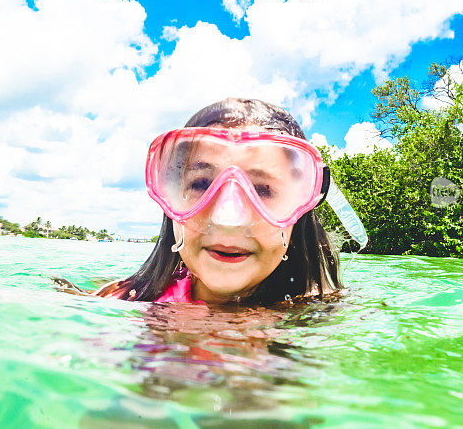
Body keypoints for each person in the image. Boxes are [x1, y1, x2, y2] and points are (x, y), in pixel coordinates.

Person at [92, 98, 367, 305]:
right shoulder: (120, 302)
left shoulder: (325, 319)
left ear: (301, 207)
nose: (228, 220)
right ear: (171, 201)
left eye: (261, 190)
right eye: (201, 184)